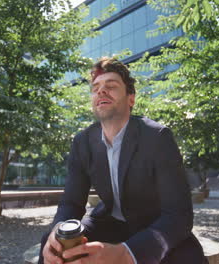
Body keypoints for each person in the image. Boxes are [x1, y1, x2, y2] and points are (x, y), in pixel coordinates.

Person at [38, 57, 206, 264]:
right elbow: (71, 203)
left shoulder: (158, 137)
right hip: (108, 221)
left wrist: (128, 253)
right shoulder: (82, 142)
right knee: (52, 245)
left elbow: (179, 215)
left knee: (189, 260)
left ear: (131, 98)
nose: (101, 91)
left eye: (111, 86)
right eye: (96, 87)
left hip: (155, 225)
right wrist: (58, 230)